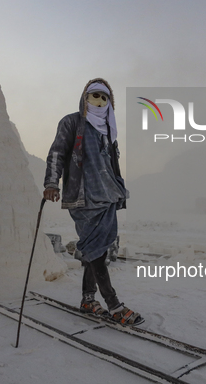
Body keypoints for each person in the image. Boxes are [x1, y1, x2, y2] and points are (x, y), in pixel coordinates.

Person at [43, 78, 143, 325]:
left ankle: (88, 299)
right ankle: (114, 305)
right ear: (85, 99)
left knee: (96, 249)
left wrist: (118, 190)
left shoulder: (109, 130)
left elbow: (112, 165)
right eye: (94, 96)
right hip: (83, 197)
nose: (99, 101)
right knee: (95, 250)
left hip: (107, 197)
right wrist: (51, 183)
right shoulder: (72, 122)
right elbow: (57, 152)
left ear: (110, 103)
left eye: (104, 97)